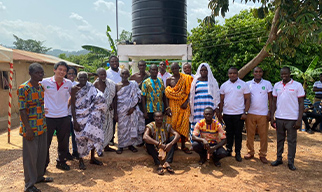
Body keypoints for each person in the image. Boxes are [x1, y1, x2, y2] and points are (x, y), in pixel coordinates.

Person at [18, 63, 53, 192]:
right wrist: (28, 129)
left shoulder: (40, 87)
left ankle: (39, 177)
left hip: (42, 126)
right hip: (31, 128)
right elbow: (22, 110)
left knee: (41, 154)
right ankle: (29, 185)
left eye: (42, 72)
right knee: (30, 158)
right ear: (30, 74)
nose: (41, 75)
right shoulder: (24, 88)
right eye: (38, 73)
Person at [71, 72, 107, 170]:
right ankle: (81, 160)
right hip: (79, 116)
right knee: (80, 139)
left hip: (90, 116)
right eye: (81, 78)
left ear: (87, 79)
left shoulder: (91, 87)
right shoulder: (74, 89)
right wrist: (74, 121)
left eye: (85, 78)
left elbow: (98, 98)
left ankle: (92, 158)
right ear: (77, 79)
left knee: (92, 135)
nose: (83, 80)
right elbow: (73, 106)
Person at [271, 67, 305, 171]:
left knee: (291, 141)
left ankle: (291, 162)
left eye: (286, 74)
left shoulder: (297, 85)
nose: (284, 76)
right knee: (280, 140)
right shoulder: (277, 85)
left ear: (290, 73)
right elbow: (273, 101)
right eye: (282, 74)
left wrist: (299, 120)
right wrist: (272, 116)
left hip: (292, 118)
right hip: (280, 117)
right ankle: (279, 158)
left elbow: (301, 103)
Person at [42, 61, 73, 171]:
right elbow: (38, 93)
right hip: (48, 117)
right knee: (46, 142)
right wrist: (42, 106)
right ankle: (43, 165)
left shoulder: (68, 83)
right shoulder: (45, 82)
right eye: (60, 69)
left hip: (63, 116)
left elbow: (72, 95)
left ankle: (61, 161)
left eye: (64, 70)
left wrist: (67, 106)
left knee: (63, 142)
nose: (62, 72)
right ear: (54, 70)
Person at [219, 67, 250, 162]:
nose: (232, 75)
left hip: (239, 114)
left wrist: (245, 112)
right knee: (229, 133)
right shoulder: (224, 85)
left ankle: (238, 153)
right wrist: (220, 113)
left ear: (237, 74)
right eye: (230, 73)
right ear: (228, 74)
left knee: (238, 134)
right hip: (227, 113)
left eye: (234, 73)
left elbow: (248, 99)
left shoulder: (243, 84)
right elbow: (221, 100)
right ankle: (228, 150)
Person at [244, 67, 272, 164]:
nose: (258, 73)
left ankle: (263, 154)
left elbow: (270, 99)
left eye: (260, 71)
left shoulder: (267, 84)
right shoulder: (247, 84)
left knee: (263, 135)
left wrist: (270, 112)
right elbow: (245, 99)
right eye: (256, 71)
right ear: (253, 73)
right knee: (250, 134)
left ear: (262, 73)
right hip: (250, 113)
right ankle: (250, 152)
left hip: (263, 114)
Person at [114, 69, 145, 154]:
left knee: (131, 127)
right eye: (123, 74)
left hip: (132, 110)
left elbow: (137, 96)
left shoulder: (133, 84)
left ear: (128, 75)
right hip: (121, 110)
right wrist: (115, 113)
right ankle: (121, 146)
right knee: (121, 128)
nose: (124, 75)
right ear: (120, 75)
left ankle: (131, 145)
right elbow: (115, 100)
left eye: (126, 74)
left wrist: (133, 107)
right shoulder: (117, 86)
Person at [165, 62, 193, 154]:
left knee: (183, 124)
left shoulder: (185, 78)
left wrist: (186, 102)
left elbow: (189, 92)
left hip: (184, 105)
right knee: (173, 124)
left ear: (179, 68)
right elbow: (166, 94)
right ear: (171, 70)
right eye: (173, 69)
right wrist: (167, 108)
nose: (174, 70)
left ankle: (184, 146)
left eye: (176, 68)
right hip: (173, 105)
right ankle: (174, 145)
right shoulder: (169, 80)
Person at [189, 63, 220, 142]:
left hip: (209, 105)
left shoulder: (213, 81)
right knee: (197, 122)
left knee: (209, 122)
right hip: (198, 106)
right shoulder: (196, 81)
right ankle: (195, 142)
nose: (203, 72)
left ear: (208, 71)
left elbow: (216, 94)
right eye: (202, 70)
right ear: (199, 71)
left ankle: (210, 140)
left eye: (205, 70)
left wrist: (216, 106)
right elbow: (192, 94)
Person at [93, 68, 116, 152]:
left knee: (109, 128)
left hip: (109, 111)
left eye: (104, 74)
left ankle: (106, 146)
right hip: (99, 112)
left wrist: (111, 105)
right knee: (100, 130)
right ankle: (99, 148)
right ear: (98, 75)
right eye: (101, 74)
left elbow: (113, 97)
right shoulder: (94, 85)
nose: (103, 76)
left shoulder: (110, 84)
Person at [106, 55, 121, 145]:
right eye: (112, 62)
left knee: (122, 120)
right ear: (109, 63)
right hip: (111, 100)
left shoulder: (122, 72)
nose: (114, 63)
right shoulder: (107, 73)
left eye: (116, 61)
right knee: (112, 120)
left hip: (121, 100)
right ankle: (110, 139)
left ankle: (123, 140)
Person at [66, 67, 79, 160]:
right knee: (65, 135)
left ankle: (75, 151)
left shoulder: (77, 85)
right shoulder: (64, 84)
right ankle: (66, 153)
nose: (71, 75)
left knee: (75, 134)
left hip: (76, 113)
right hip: (65, 113)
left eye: (73, 73)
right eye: (69, 73)